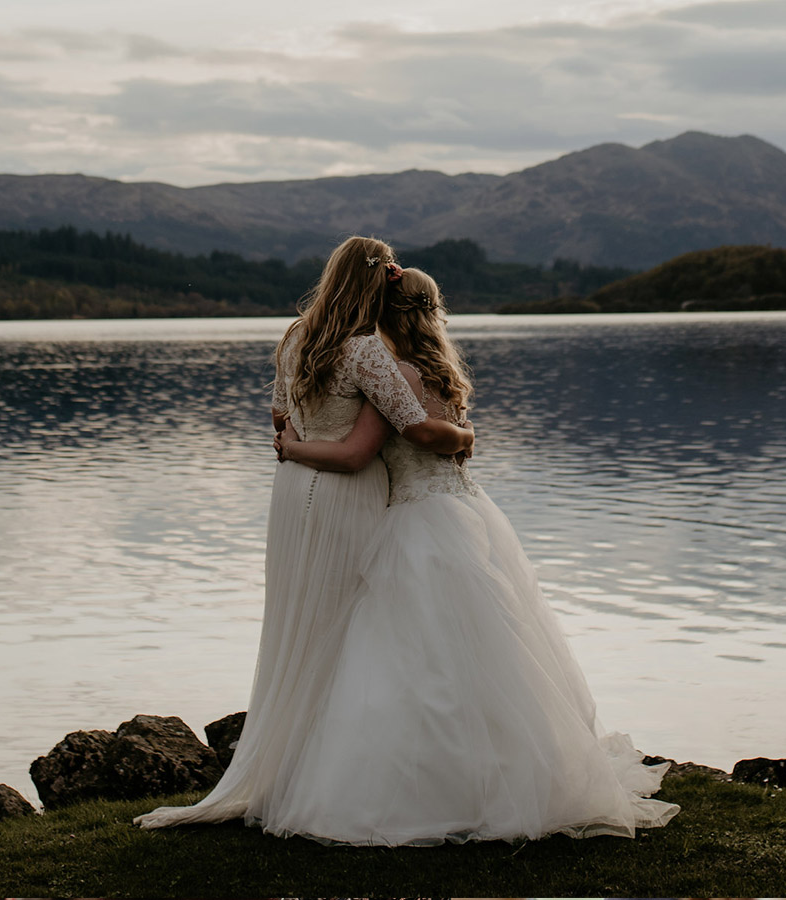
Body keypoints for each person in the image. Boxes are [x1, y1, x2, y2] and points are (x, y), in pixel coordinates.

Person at [265, 267, 679, 845]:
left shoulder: (392, 370)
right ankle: (507, 769)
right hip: (464, 511)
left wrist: (294, 446)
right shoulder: (437, 371)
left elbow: (397, 442)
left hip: (416, 517)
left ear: (384, 311)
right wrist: (469, 436)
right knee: (487, 641)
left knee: (416, 647)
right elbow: (442, 435)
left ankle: (429, 783)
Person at [134, 237, 473, 832]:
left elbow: (279, 419)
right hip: (349, 491)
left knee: (296, 628)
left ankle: (291, 769)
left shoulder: (293, 339)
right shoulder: (366, 349)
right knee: (349, 631)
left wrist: (294, 446)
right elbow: (411, 428)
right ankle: (336, 777)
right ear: (377, 285)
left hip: (292, 492)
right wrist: (464, 438)